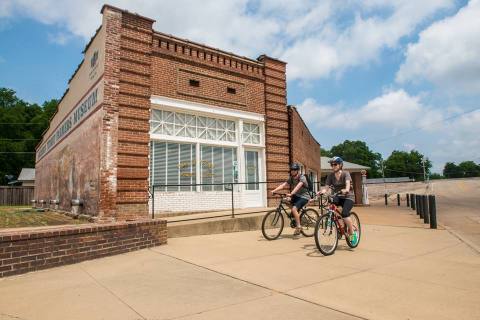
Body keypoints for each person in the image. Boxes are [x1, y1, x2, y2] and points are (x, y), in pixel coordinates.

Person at [317, 156, 357, 243]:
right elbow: (326, 187)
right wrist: (322, 191)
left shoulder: (345, 173)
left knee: (345, 213)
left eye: (335, 164)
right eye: (332, 164)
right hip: (337, 196)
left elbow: (347, 184)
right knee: (331, 208)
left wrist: (346, 190)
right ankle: (340, 227)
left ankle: (352, 233)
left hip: (348, 197)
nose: (333, 166)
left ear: (340, 165)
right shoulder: (330, 176)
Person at [271, 163, 311, 236]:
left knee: (294, 209)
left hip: (304, 197)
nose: (292, 171)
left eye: (294, 170)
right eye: (291, 170)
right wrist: (274, 190)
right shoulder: (291, 178)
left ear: (297, 171)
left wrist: (291, 193)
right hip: (296, 195)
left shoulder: (302, 177)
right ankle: (295, 213)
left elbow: (298, 186)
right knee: (284, 200)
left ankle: (298, 226)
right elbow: (283, 185)